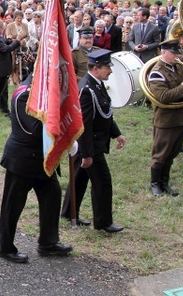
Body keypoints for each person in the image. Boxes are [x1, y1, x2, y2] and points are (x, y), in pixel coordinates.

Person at [0, 75, 73, 263]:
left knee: (52, 197)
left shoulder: (43, 95)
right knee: (13, 206)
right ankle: (5, 247)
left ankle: (48, 242)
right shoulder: (24, 96)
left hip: (43, 160)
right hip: (22, 160)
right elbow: (35, 130)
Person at [60, 50, 126, 232]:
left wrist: (116, 133)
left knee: (79, 179)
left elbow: (104, 114)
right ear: (96, 68)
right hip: (90, 144)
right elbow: (85, 124)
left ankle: (67, 212)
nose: (110, 71)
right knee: (102, 182)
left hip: (91, 143)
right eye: (107, 68)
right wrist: (87, 154)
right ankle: (103, 222)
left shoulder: (96, 84)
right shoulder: (87, 89)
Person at [147, 39, 183, 196]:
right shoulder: (157, 72)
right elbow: (162, 96)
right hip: (166, 119)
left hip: (180, 116)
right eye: (173, 53)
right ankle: (155, 183)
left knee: (172, 152)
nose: (177, 56)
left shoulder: (176, 66)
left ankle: (165, 182)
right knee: (161, 153)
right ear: (164, 52)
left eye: (177, 53)